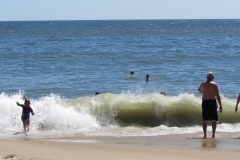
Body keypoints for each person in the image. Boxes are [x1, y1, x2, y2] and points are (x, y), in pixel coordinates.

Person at [198, 72, 223, 139]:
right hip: (212, 101)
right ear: (213, 78)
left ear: (207, 77)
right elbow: (218, 96)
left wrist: (205, 92)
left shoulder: (203, 84)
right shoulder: (215, 85)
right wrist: (220, 105)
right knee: (214, 119)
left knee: (205, 119)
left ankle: (205, 135)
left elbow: (199, 90)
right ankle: (213, 134)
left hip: (205, 101)